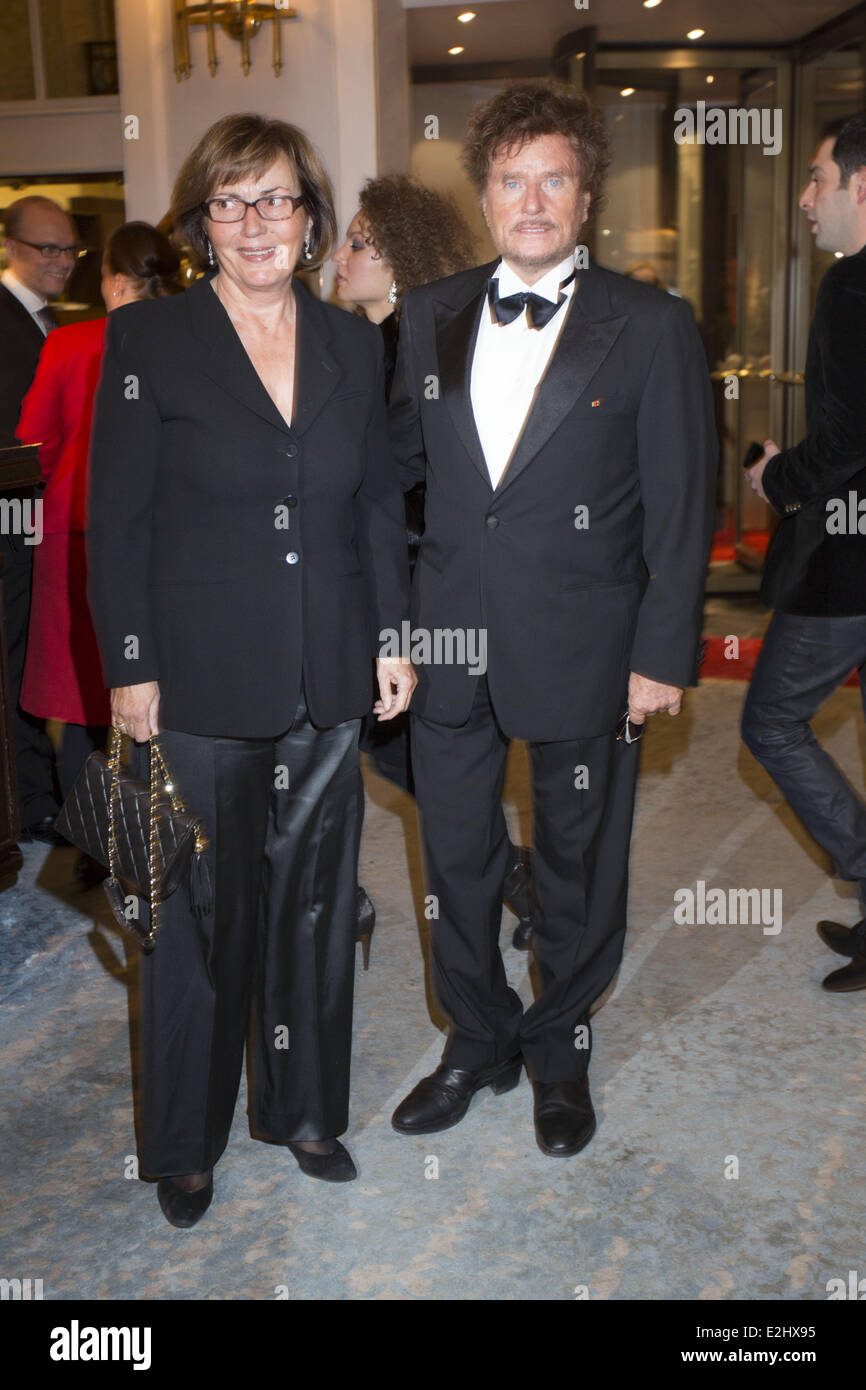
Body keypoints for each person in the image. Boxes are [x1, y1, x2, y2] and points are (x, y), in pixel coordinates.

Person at [86, 112, 413, 1228]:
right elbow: (114, 519)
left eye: (276, 198)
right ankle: (184, 1141)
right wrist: (129, 664)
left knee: (316, 907)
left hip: (324, 677)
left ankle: (305, 1109)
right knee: (195, 919)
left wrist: (391, 634)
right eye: (231, 201)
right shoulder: (150, 343)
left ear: (310, 217)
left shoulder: (353, 344)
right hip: (199, 683)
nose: (255, 222)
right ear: (202, 224)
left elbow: (374, 503)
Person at [387, 81, 717, 1156]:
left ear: (584, 200)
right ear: (483, 195)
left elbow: (679, 501)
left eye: (553, 179)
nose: (531, 199)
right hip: (446, 642)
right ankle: (475, 1038)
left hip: (587, 642)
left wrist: (662, 649)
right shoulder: (425, 317)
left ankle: (559, 1051)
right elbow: (396, 489)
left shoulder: (652, 325)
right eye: (510, 179)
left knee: (576, 861)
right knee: (456, 858)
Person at [333, 175, 541, 950]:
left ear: (399, 257)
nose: (340, 257)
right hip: (394, 578)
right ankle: (526, 884)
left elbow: (415, 476)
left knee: (407, 752)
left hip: (424, 582)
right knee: (405, 755)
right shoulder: (362, 342)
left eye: (360, 243)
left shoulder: (412, 345)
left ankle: (528, 886)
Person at [17, 222, 181, 889]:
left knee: (87, 689)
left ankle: (96, 840)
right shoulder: (190, 341)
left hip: (75, 536)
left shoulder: (69, 342)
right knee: (162, 680)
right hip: (167, 536)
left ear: (113, 280)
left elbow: (35, 444)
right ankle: (171, 825)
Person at [742, 113, 866, 994]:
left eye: (819, 178)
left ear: (864, 188)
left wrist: (778, 478)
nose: (804, 196)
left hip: (850, 561)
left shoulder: (850, 288)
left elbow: (848, 439)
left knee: (771, 722)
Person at [0, 196, 82, 844]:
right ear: (11, 246)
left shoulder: (48, 321)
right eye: (45, 249)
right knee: (16, 670)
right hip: (12, 529)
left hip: (33, 528)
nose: (59, 262)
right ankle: (31, 806)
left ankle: (40, 799)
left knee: (32, 666)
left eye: (68, 249)